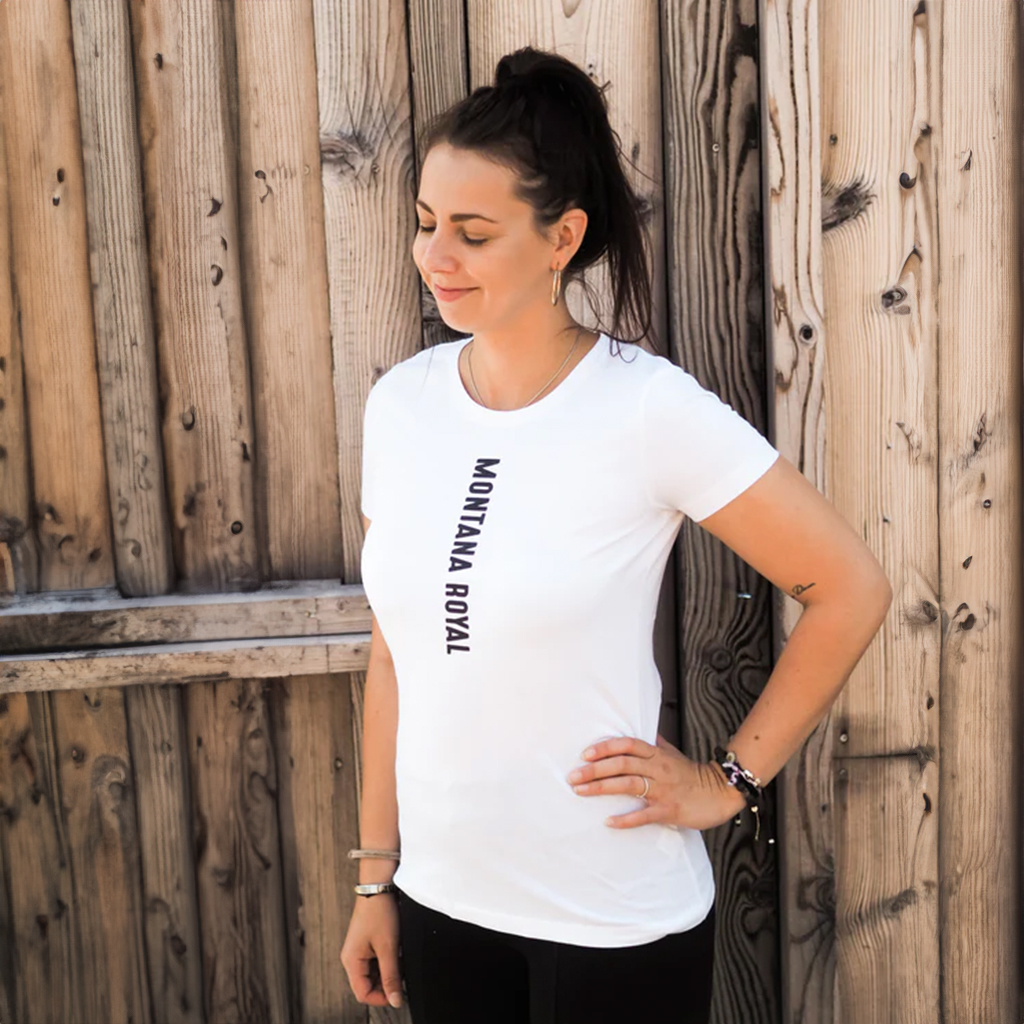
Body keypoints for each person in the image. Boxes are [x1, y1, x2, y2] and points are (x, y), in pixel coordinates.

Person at [339, 46, 892, 1024]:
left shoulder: (644, 409)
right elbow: (396, 653)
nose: (436, 257)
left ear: (562, 238)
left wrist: (727, 780)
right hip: (442, 902)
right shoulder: (402, 406)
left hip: (611, 921)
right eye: (426, 223)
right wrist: (375, 877)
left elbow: (848, 588)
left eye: (473, 232)